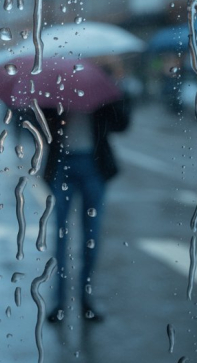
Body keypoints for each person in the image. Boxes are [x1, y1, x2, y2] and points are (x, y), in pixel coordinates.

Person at [43, 57, 132, 322]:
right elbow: (36, 125)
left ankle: (86, 300)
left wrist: (117, 96)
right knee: (60, 235)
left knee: (91, 237)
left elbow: (122, 125)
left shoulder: (102, 92)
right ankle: (58, 303)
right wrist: (56, 111)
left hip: (93, 166)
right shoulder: (53, 92)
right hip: (62, 166)